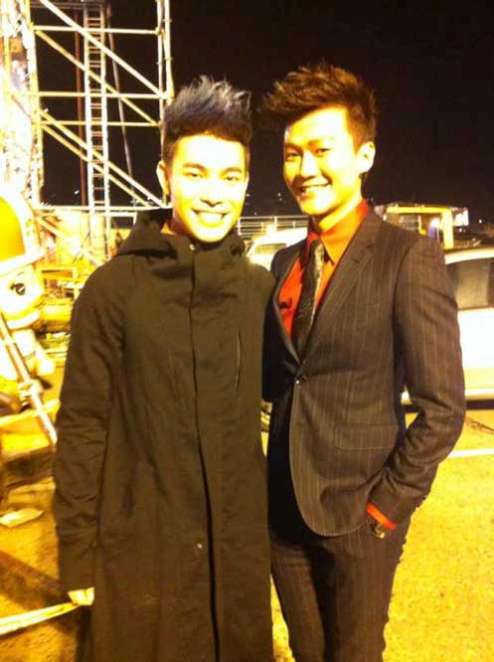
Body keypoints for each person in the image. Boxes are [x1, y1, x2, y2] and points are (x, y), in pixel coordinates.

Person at [54, 77, 274, 662]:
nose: (213, 194)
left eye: (230, 177)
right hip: (141, 554)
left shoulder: (256, 289)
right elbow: (82, 425)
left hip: (235, 557)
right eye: (195, 173)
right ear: (164, 176)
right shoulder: (113, 290)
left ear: (246, 182)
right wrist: (77, 548)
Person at [261, 62, 465, 662]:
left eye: (322, 150)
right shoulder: (283, 264)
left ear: (364, 154)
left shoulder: (407, 259)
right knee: (307, 652)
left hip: (360, 517)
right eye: (292, 154)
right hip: (284, 514)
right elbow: (282, 380)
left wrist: (385, 510)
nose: (305, 169)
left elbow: (443, 410)